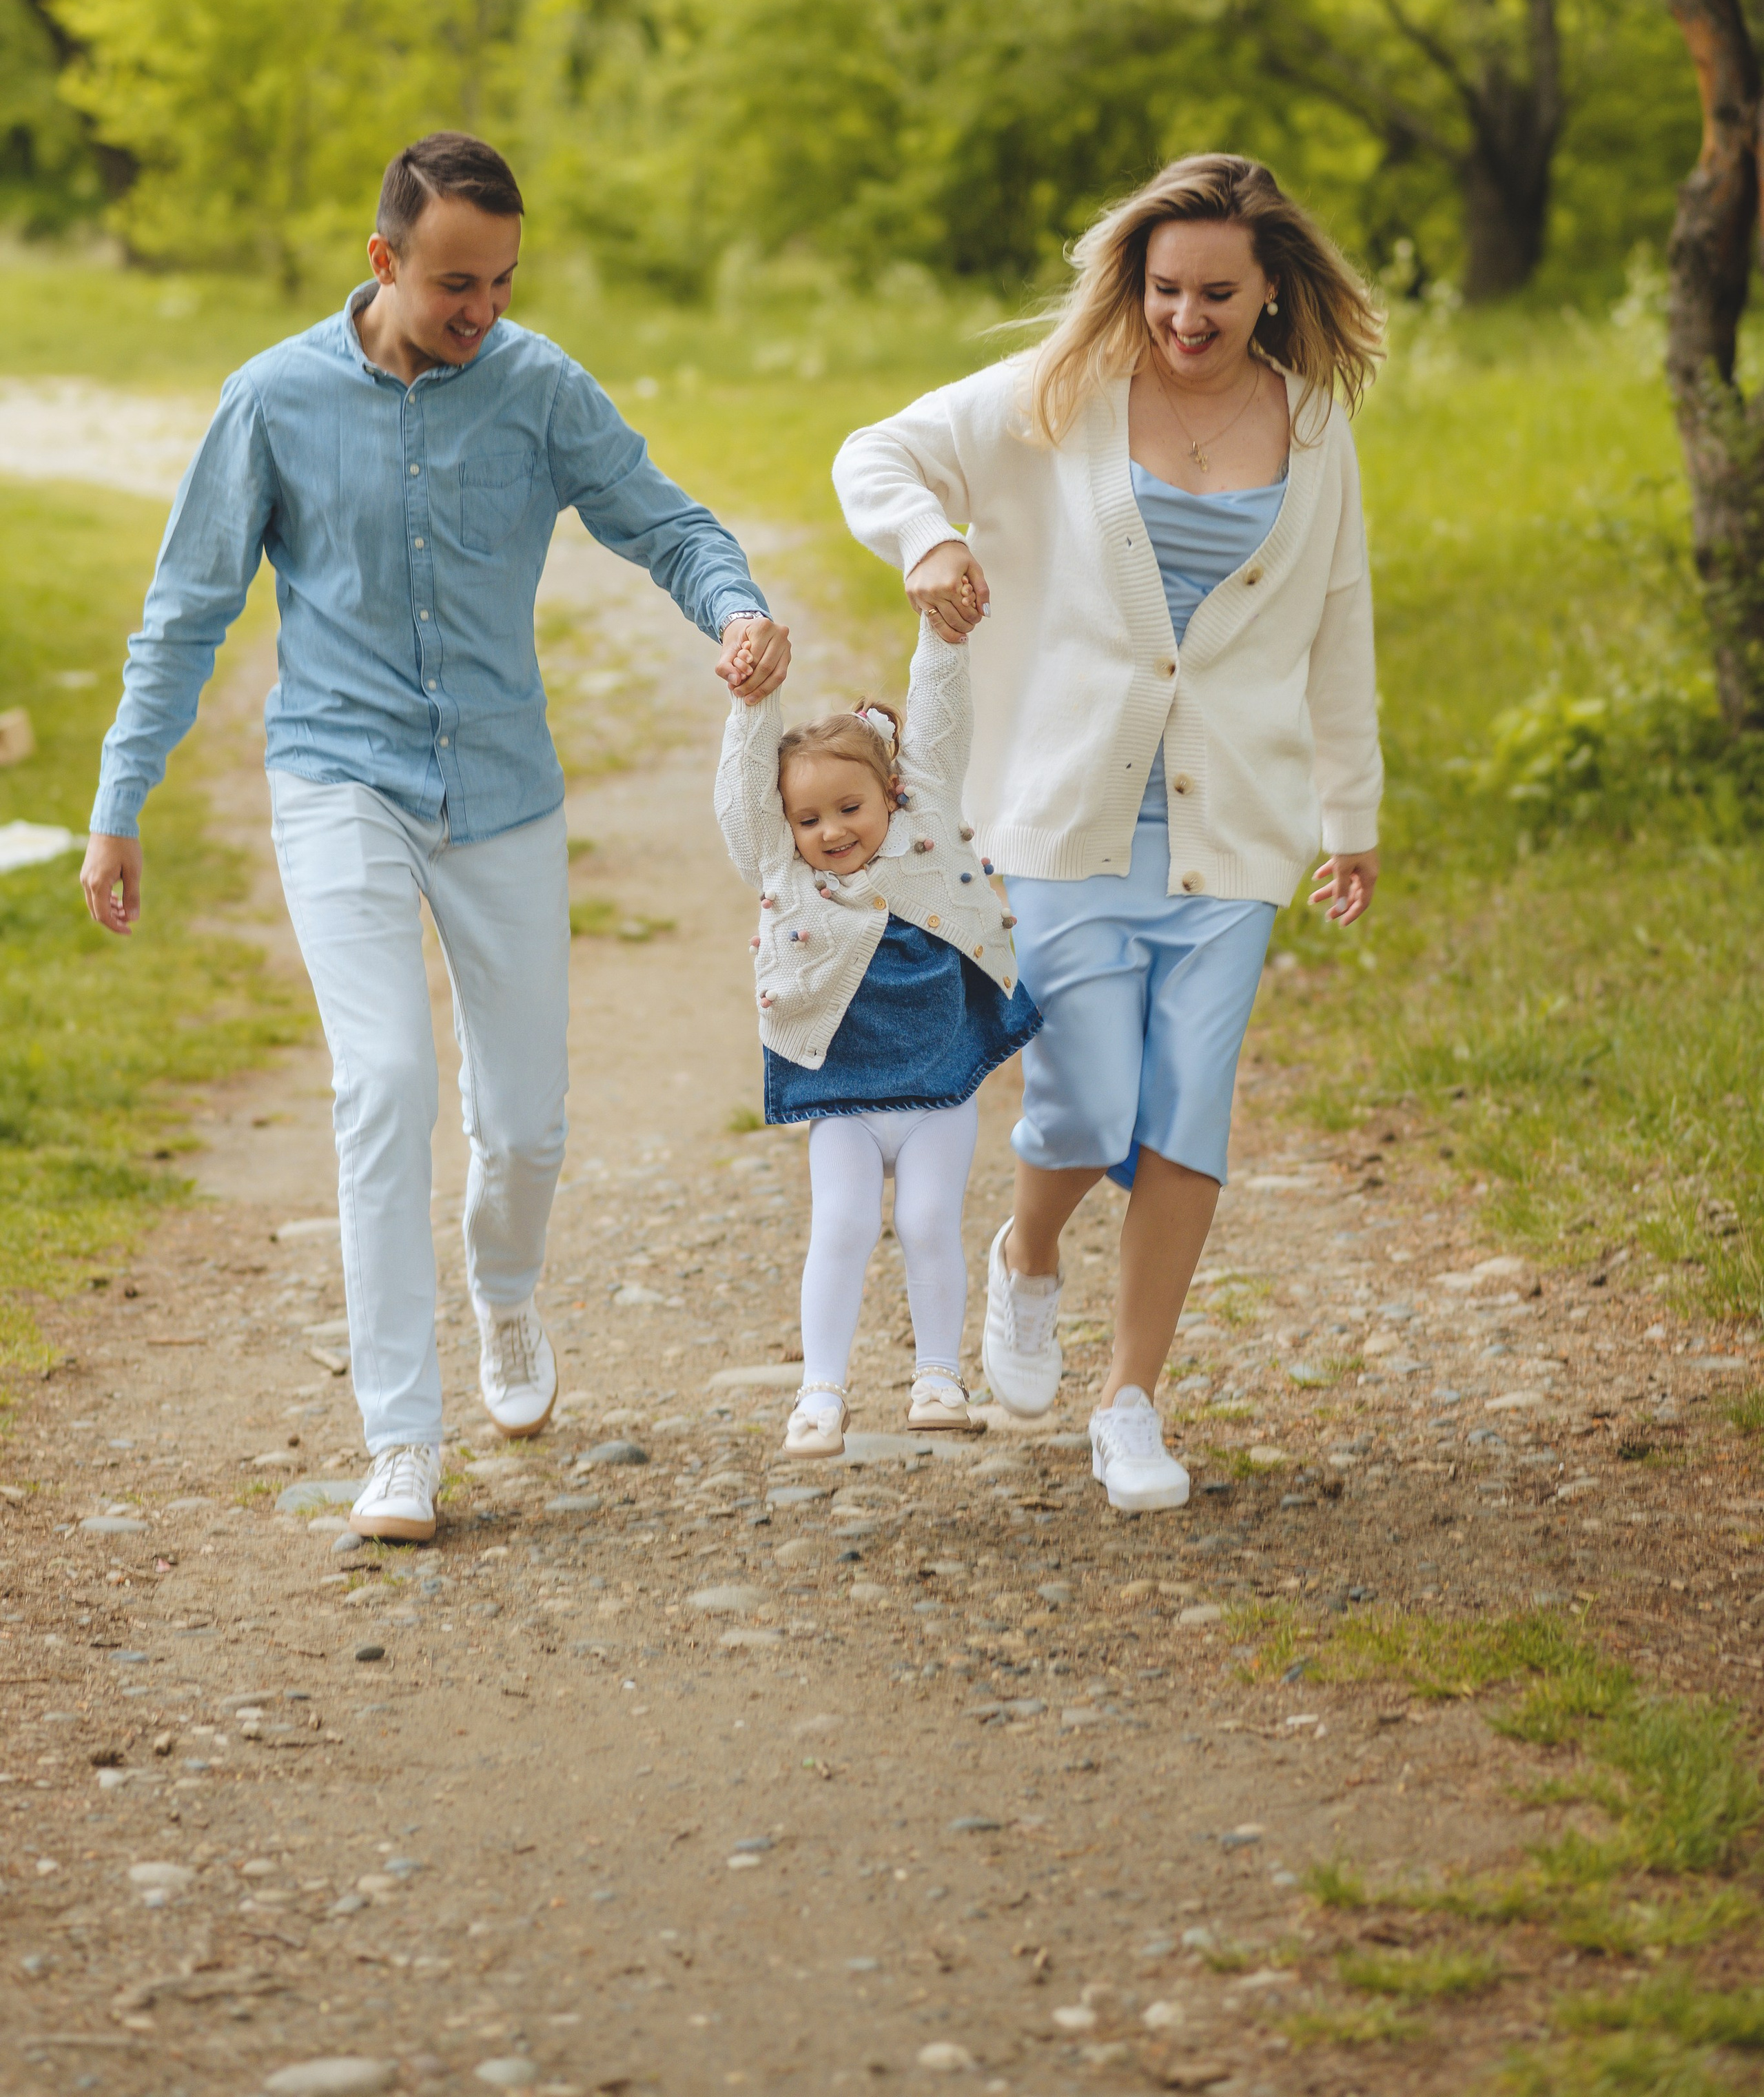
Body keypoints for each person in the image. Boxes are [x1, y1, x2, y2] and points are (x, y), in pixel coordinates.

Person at [81, 132, 790, 1544]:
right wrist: (118, 800)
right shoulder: (272, 401)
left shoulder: (536, 388)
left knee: (523, 1128)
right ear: (384, 259)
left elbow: (667, 523)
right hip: (338, 777)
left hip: (503, 792)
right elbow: (186, 613)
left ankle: (505, 1294)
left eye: (502, 283)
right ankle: (401, 1438)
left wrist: (736, 609)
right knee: (386, 1082)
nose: (481, 310)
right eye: (456, 282)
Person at [832, 152, 1382, 1513]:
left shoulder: (1312, 432)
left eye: (1214, 294)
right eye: (1162, 290)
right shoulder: (1058, 400)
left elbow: (1338, 623)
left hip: (1231, 827)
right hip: (1065, 814)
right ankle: (1027, 1259)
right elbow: (876, 453)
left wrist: (1346, 811)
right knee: (1088, 1095)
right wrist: (925, 545)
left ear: (1270, 293)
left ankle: (1129, 1399)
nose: (1183, 318)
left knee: (1187, 1108)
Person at [715, 617, 1040, 1457]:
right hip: (845, 1095)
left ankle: (938, 1377)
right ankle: (819, 1392)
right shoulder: (785, 869)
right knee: (844, 1225)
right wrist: (755, 704)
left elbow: (939, 716)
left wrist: (943, 633)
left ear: (893, 794)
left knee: (930, 1220)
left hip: (938, 1084)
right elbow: (745, 798)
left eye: (849, 808)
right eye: (809, 818)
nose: (830, 832)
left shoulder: (924, 821)